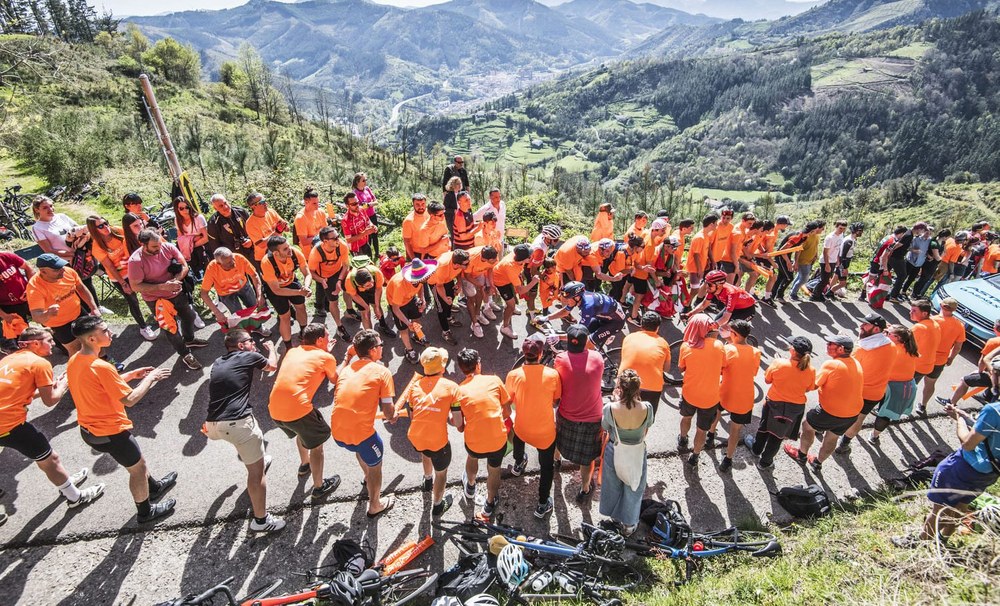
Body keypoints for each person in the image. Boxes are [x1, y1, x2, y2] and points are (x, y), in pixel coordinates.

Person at [67, 316, 176, 524]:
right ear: (91, 338)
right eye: (105, 331)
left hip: (90, 430)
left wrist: (131, 375)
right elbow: (130, 399)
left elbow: (100, 385)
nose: (111, 333)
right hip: (110, 431)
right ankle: (145, 512)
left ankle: (153, 488)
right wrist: (150, 379)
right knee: (138, 469)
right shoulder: (102, 366)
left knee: (137, 462)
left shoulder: (76, 360)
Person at [0, 327, 105, 511]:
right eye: (49, 340)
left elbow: (19, 393)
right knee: (50, 460)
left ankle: (64, 482)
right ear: (35, 344)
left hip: (5, 421)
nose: (54, 344)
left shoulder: (9, 360)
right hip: (9, 425)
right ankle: (74, 497)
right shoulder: (39, 363)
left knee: (47, 459)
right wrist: (65, 384)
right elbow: (51, 400)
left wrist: (52, 386)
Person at [894, 395, 1000, 548]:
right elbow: (990, 433)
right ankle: (943, 538)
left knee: (939, 508)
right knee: (961, 506)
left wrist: (959, 419)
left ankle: (919, 542)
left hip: (963, 467)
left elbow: (968, 444)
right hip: (989, 473)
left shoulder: (993, 410)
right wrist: (967, 418)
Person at [205, 329, 284, 532]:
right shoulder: (249, 355)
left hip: (213, 424)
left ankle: (258, 458)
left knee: (249, 439)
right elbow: (272, 366)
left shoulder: (218, 362)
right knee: (256, 474)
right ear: (241, 345)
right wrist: (272, 349)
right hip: (237, 424)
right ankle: (261, 521)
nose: (254, 344)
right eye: (251, 341)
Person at [267, 323, 341, 501]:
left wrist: (324, 353)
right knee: (317, 446)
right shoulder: (325, 357)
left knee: (301, 433)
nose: (329, 339)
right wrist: (329, 355)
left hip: (275, 410)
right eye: (327, 336)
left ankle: (304, 464)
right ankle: (319, 486)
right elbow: (335, 379)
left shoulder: (292, 351)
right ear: (320, 340)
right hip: (298, 409)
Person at [331, 329, 396, 518]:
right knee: (376, 464)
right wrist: (392, 417)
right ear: (374, 350)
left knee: (360, 448)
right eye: (381, 345)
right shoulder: (382, 372)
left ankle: (367, 477)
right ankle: (375, 504)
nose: (383, 347)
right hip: (361, 434)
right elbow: (388, 411)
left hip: (338, 432)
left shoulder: (347, 370)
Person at [127, 229, 206, 368]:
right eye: (154, 247)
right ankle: (185, 354)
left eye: (159, 244)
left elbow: (184, 266)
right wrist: (163, 287)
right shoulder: (135, 261)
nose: (159, 248)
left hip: (176, 293)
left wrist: (174, 281)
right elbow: (135, 286)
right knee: (171, 328)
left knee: (189, 317)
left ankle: (189, 339)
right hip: (156, 300)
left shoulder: (166, 246)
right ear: (143, 244)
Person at [785, 334, 863, 473]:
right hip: (852, 413)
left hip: (830, 412)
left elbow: (812, 386)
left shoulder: (832, 364)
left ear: (841, 349)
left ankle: (801, 455)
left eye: (831, 344)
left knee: (807, 426)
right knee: (832, 437)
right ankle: (817, 463)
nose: (827, 345)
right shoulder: (856, 362)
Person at [506, 335, 562, 519]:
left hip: (522, 427)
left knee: (519, 438)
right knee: (546, 468)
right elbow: (556, 400)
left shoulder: (513, 375)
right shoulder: (552, 374)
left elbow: (509, 400)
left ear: (524, 353)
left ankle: (518, 463)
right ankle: (542, 503)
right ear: (541, 354)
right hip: (545, 433)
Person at [454, 348, 511, 520]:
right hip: (497, 438)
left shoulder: (458, 391)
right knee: (494, 470)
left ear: (461, 368)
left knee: (472, 458)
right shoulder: (494, 380)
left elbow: (459, 426)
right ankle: (490, 502)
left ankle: (470, 486)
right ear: (478, 365)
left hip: (474, 440)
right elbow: (507, 412)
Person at [404, 347, 460, 516]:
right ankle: (437, 505)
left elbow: (413, 416)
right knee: (441, 473)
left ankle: (427, 481)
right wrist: (445, 413)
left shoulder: (414, 387)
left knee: (425, 452)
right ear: (442, 368)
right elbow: (457, 422)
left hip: (416, 436)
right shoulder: (451, 387)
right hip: (438, 440)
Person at [745, 337, 816, 468]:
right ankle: (765, 462)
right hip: (795, 408)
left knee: (764, 428)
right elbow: (809, 388)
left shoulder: (779, 363)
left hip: (774, 403)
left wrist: (777, 361)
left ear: (793, 351)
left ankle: (756, 450)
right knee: (778, 436)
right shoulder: (811, 370)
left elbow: (767, 380)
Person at [554, 324, 606, 501]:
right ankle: (584, 488)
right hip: (593, 417)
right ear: (586, 343)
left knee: (558, 439)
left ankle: (556, 461)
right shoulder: (598, 358)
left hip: (567, 414)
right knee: (587, 458)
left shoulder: (560, 359)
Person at [86, 215, 159, 341]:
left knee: (150, 292)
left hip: (135, 268)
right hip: (120, 276)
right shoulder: (97, 247)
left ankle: (159, 316)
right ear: (94, 230)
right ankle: (143, 327)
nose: (106, 227)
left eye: (106, 222)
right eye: (101, 226)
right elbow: (109, 267)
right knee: (133, 300)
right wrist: (123, 283)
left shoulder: (117, 230)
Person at [599, 370, 654, 535]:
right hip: (636, 451)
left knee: (612, 485)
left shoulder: (610, 408)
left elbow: (605, 428)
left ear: (619, 388)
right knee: (634, 486)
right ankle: (629, 524)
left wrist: (616, 401)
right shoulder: (647, 408)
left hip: (615, 450)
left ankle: (615, 518)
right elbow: (647, 427)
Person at [30, 195, 105, 312]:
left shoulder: (62, 217)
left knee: (87, 280)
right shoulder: (37, 228)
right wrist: (71, 255)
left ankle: (97, 307)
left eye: (51, 206)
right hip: (64, 260)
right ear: (37, 210)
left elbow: (78, 229)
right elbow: (48, 250)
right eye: (45, 208)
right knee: (76, 285)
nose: (50, 209)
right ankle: (88, 311)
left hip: (80, 254)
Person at [837, 313, 895, 454]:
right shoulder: (892, 346)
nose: (860, 326)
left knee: (837, 411)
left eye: (865, 325)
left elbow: (847, 364)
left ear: (876, 329)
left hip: (855, 390)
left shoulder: (861, 349)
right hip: (874, 393)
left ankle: (821, 429)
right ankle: (844, 444)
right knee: (859, 419)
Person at [26, 253, 100, 357]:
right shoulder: (35, 288)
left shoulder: (68, 272)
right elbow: (36, 316)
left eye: (61, 266)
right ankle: (83, 371)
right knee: (75, 349)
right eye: (56, 269)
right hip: (58, 324)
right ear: (43, 271)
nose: (62, 270)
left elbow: (81, 288)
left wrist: (94, 308)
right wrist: (48, 313)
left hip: (78, 313)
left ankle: (106, 361)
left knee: (93, 340)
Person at [677, 314, 727, 466]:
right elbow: (723, 368)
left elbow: (681, 368)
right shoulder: (719, 346)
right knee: (701, 430)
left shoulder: (686, 346)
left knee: (686, 418)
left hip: (689, 393)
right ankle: (695, 456)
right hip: (710, 397)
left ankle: (683, 438)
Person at [713, 319, 761, 472]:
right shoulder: (755, 352)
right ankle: (728, 459)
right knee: (735, 430)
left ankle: (710, 435)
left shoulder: (727, 349)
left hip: (725, 391)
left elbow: (720, 369)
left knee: (717, 413)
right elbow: (753, 372)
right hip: (745, 396)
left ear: (735, 335)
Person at [869, 325, 920, 443]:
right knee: (885, 414)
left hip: (892, 386)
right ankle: (874, 436)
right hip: (905, 386)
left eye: (888, 333)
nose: (885, 334)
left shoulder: (893, 350)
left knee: (874, 409)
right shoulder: (908, 348)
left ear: (898, 338)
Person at [200, 246, 268, 334]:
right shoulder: (212, 268)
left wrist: (259, 295)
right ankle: (244, 334)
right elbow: (204, 293)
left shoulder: (239, 258)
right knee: (238, 315)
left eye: (232, 258)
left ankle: (258, 327)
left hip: (243, 286)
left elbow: (254, 275)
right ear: (219, 264)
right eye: (228, 262)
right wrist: (217, 313)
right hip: (225, 293)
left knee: (253, 307)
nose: (233, 262)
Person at [261, 235, 311, 351]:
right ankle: (288, 346)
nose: (289, 250)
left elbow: (307, 273)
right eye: (285, 249)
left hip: (291, 281)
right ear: (276, 253)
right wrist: (299, 292)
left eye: (288, 246)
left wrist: (306, 287)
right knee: (285, 316)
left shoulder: (295, 253)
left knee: (301, 307)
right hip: (275, 288)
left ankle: (304, 331)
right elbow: (277, 290)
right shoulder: (267, 262)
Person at [935, 318, 1000, 408]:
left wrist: (980, 372)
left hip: (995, 376)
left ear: (995, 328)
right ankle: (987, 397)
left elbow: (983, 361)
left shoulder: (993, 342)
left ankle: (951, 403)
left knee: (965, 380)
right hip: (996, 374)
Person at [916, 298, 966, 414]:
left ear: (941, 305)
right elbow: (958, 346)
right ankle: (923, 405)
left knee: (910, 384)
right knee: (930, 383)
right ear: (954, 310)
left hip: (923, 358)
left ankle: (900, 407)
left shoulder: (931, 321)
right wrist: (951, 358)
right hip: (940, 360)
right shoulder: (959, 326)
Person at [541, 282, 626, 350]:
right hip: (604, 316)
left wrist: (558, 337)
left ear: (577, 297)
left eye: (568, 299)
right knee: (581, 337)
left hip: (615, 323)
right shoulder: (580, 298)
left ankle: (596, 362)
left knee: (587, 343)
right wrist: (546, 318)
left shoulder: (588, 306)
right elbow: (565, 311)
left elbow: (578, 333)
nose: (566, 301)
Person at [619, 311, 670, 414]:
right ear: (658, 327)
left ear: (641, 325)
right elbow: (666, 369)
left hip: (627, 381)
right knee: (646, 418)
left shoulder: (629, 338)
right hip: (652, 386)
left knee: (623, 415)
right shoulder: (663, 343)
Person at [388, 258, 437, 363]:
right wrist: (407, 322)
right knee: (404, 328)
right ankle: (409, 350)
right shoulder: (399, 286)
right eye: (426, 275)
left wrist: (422, 299)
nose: (429, 276)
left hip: (410, 298)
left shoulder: (419, 280)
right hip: (398, 305)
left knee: (417, 320)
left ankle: (417, 336)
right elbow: (395, 308)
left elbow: (420, 287)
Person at [308, 226, 351, 340]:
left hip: (340, 271)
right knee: (333, 301)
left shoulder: (341, 245)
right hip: (326, 277)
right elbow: (311, 272)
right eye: (335, 238)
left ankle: (350, 310)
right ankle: (339, 326)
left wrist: (340, 280)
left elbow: (346, 264)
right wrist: (321, 280)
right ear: (325, 241)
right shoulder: (316, 253)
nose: (338, 239)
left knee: (350, 288)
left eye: (338, 236)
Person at [493, 244, 538, 340]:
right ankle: (505, 327)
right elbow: (520, 290)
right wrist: (533, 282)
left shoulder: (517, 254)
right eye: (530, 256)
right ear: (524, 259)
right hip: (501, 282)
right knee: (511, 305)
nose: (532, 257)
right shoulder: (511, 267)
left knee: (512, 300)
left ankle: (510, 308)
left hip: (508, 279)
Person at [684, 270, 756, 326]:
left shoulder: (731, 293)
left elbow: (726, 318)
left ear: (718, 285)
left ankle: (737, 344)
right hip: (734, 307)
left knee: (728, 327)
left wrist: (716, 325)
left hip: (747, 310)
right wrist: (689, 314)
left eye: (709, 284)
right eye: (706, 283)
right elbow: (703, 305)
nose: (707, 286)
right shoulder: (712, 288)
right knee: (716, 323)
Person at [427, 249, 469, 345]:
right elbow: (439, 286)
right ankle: (445, 331)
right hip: (436, 282)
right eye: (466, 264)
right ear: (457, 264)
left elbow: (458, 272)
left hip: (447, 278)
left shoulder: (458, 261)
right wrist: (445, 299)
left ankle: (449, 317)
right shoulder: (442, 267)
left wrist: (459, 284)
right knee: (441, 306)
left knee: (451, 297)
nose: (468, 265)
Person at [345, 263, 396, 336]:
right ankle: (370, 335)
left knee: (377, 306)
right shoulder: (349, 281)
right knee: (365, 314)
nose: (371, 285)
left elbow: (378, 288)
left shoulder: (376, 272)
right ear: (360, 285)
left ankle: (383, 325)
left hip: (374, 290)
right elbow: (354, 295)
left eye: (371, 282)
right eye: (368, 285)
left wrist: (377, 306)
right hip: (359, 294)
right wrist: (366, 307)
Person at [462, 245, 500, 339]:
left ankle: (478, 314)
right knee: (471, 298)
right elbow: (467, 276)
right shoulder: (472, 258)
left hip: (479, 274)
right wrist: (480, 285)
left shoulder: (493, 256)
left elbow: (490, 268)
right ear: (484, 258)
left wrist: (491, 284)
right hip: (467, 276)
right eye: (493, 260)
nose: (496, 261)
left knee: (480, 293)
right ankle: (474, 324)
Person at [0, 250, 34, 349]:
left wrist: (30, 288)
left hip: (28, 297)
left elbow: (28, 268)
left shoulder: (5, 256)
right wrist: (4, 315)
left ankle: (62, 345)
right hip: (8, 307)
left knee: (49, 321)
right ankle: (28, 357)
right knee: (21, 335)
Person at [244, 192, 289, 268]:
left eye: (265, 200)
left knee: (289, 277)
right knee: (273, 279)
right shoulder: (250, 223)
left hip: (281, 252)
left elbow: (285, 227)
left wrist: (285, 226)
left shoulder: (271, 212)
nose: (265, 203)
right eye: (262, 202)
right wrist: (277, 232)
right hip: (265, 258)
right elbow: (261, 244)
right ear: (253, 206)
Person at [887, 222, 928, 303]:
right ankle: (893, 296)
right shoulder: (909, 235)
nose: (922, 233)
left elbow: (903, 245)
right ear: (919, 229)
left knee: (889, 272)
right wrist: (889, 253)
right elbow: (898, 244)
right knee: (902, 276)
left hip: (896, 257)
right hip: (897, 257)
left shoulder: (909, 233)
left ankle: (887, 292)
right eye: (923, 230)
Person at [206, 193, 253, 259]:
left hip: (251, 251)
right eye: (221, 206)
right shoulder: (213, 223)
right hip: (233, 258)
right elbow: (215, 247)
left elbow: (254, 229)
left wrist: (251, 240)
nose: (225, 207)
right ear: (215, 208)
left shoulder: (241, 212)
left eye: (225, 203)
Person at [173, 196, 209, 279]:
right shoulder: (177, 220)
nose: (185, 210)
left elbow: (206, 237)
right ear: (177, 209)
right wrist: (194, 238)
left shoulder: (198, 218)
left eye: (187, 207)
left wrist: (191, 244)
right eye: (181, 208)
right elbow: (180, 239)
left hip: (200, 246)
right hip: (188, 248)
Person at [789, 220, 825, 302]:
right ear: (817, 228)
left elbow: (815, 246)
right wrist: (796, 262)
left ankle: (793, 292)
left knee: (799, 277)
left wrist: (816, 255)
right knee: (804, 279)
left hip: (810, 261)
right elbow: (798, 250)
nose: (823, 230)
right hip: (803, 261)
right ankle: (793, 294)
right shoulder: (808, 236)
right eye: (822, 228)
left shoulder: (817, 236)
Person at [811, 219, 847, 301]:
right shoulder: (830, 237)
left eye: (844, 228)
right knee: (824, 280)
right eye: (840, 228)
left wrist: (837, 260)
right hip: (825, 261)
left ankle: (819, 294)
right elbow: (825, 252)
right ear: (836, 227)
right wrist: (827, 264)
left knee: (827, 279)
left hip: (833, 261)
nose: (842, 230)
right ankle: (814, 295)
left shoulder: (841, 236)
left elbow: (838, 249)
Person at [910, 299, 942, 389]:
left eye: (914, 311)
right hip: (927, 366)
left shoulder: (919, 327)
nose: (910, 312)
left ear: (924, 313)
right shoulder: (935, 324)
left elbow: (904, 344)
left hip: (915, 366)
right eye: (911, 310)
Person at [827, 221, 864, 298]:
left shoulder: (851, 239)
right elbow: (843, 255)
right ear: (855, 231)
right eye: (860, 231)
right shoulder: (849, 241)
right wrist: (845, 268)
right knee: (843, 283)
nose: (861, 232)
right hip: (843, 263)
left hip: (842, 262)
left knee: (835, 277)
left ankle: (828, 291)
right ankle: (830, 292)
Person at [685, 214, 718, 288]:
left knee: (698, 289)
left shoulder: (706, 235)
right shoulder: (699, 237)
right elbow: (696, 255)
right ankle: (688, 300)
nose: (717, 225)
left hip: (700, 267)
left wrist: (710, 261)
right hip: (694, 268)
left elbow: (707, 249)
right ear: (711, 224)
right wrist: (699, 269)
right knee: (695, 290)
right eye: (716, 223)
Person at [293, 188, 329, 258]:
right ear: (306, 202)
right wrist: (320, 237)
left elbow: (326, 231)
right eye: (314, 203)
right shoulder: (301, 218)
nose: (317, 205)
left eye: (318, 202)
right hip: (309, 255)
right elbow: (304, 241)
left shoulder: (321, 212)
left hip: (324, 249)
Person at [341, 191, 377, 259]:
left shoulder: (361, 209)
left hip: (366, 243)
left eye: (357, 202)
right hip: (356, 248)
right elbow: (349, 240)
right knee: (362, 268)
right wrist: (365, 233)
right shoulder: (345, 220)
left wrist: (373, 226)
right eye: (354, 204)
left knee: (370, 264)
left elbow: (368, 221)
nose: (357, 205)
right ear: (347, 206)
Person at [352, 173, 380, 256]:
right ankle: (369, 254)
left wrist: (368, 205)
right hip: (364, 218)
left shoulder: (367, 189)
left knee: (375, 234)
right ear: (357, 182)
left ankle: (377, 253)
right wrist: (365, 206)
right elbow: (358, 207)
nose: (365, 182)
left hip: (372, 214)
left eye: (365, 180)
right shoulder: (355, 193)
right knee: (368, 236)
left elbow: (376, 201)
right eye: (363, 180)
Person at [402, 194, 429, 260]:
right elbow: (407, 242)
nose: (421, 207)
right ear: (413, 204)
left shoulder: (429, 213)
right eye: (417, 204)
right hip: (417, 254)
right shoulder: (408, 221)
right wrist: (414, 259)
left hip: (429, 250)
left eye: (423, 204)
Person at [710, 208, 735, 278]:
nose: (725, 220)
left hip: (722, 258)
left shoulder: (731, 227)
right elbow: (709, 244)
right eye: (723, 218)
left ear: (731, 218)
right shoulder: (716, 227)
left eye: (728, 218)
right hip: (712, 258)